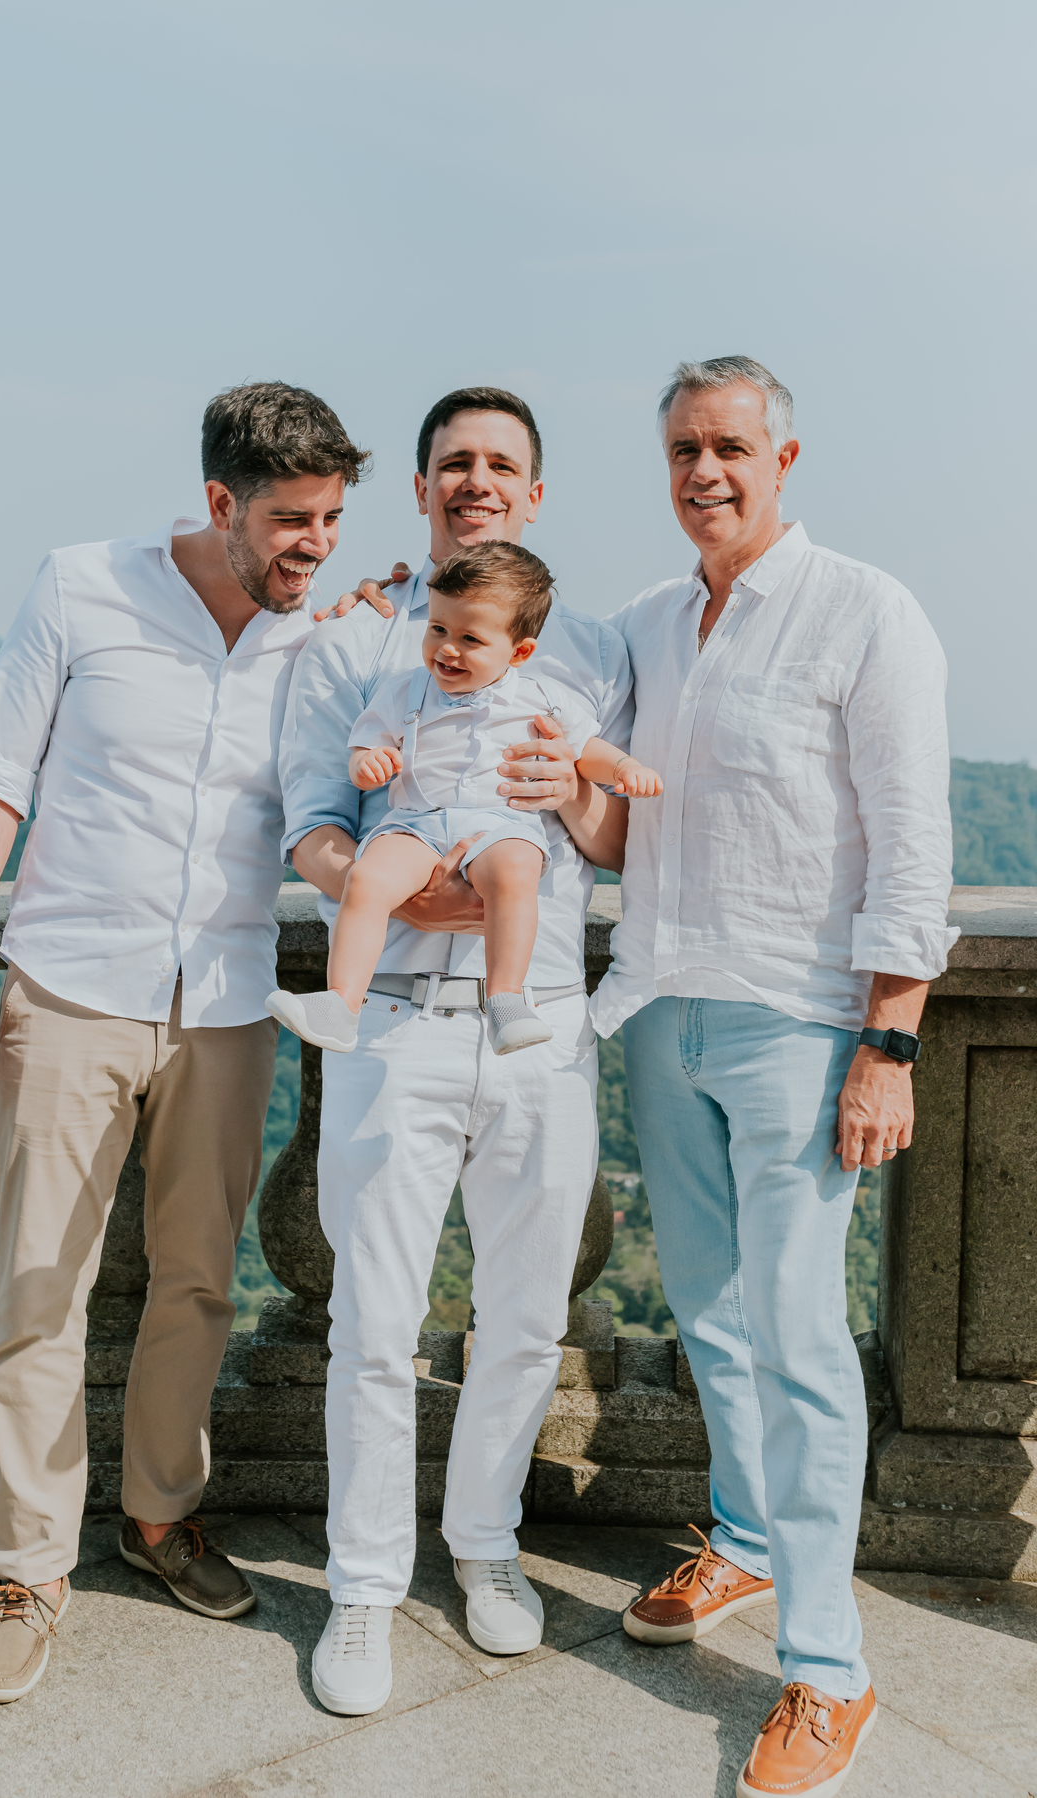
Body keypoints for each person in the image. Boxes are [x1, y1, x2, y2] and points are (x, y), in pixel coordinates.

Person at [0, 381, 368, 1704]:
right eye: (293, 519)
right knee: (40, 1289)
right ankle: (22, 1563)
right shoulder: (80, 586)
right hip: (69, 989)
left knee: (199, 1285)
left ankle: (160, 1515)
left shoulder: (323, 637)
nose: (315, 545)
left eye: (333, 519)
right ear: (221, 503)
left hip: (226, 1005)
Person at [579, 356, 957, 1797]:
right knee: (711, 1314)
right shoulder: (648, 625)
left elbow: (910, 842)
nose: (704, 472)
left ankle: (827, 1671)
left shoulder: (868, 609)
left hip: (803, 1026)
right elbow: (620, 839)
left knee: (800, 1338)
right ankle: (742, 1538)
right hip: (662, 1005)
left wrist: (891, 1039)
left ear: (785, 458)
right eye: (682, 448)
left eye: (730, 446)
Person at [279, 386, 633, 1716]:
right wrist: (379, 876)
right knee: (373, 1324)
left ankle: (484, 1546)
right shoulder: (351, 645)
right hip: (393, 1029)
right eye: (454, 463)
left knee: (526, 1317)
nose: (477, 479)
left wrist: (579, 794)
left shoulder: (588, 648)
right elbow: (310, 825)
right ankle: (365, 1583)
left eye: (502, 465)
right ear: (422, 488)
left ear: (535, 495)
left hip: (536, 1023)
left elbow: (617, 840)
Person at [270, 541, 659, 1056]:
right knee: (365, 876)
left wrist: (625, 767)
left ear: (519, 652)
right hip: (417, 822)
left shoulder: (540, 697)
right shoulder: (405, 689)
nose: (446, 649)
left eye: (469, 639)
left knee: (517, 870)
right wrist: (368, 764)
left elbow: (587, 750)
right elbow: (368, 742)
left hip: (500, 825)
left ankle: (505, 998)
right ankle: (342, 1002)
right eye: (436, 630)